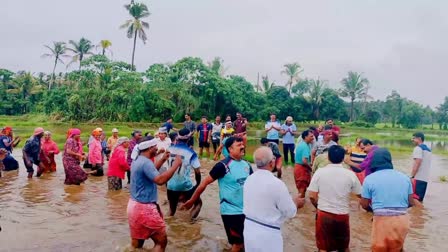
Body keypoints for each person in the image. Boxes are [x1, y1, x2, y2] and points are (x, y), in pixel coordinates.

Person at [182, 137, 252, 252]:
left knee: (245, 243)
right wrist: (192, 200)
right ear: (230, 149)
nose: (243, 147)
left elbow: (253, 186)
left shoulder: (247, 165)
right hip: (231, 211)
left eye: (242, 144)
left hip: (246, 211)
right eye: (239, 145)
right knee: (237, 244)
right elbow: (204, 183)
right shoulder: (222, 166)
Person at [127, 137, 183, 251]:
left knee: (137, 245)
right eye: (155, 147)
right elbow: (160, 181)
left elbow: (150, 173)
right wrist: (176, 165)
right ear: (149, 148)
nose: (157, 149)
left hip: (133, 206)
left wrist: (162, 159)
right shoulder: (146, 163)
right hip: (145, 208)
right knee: (161, 242)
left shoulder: (137, 159)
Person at [243, 146, 304, 252]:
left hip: (249, 230)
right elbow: (290, 212)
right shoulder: (277, 184)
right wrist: (296, 203)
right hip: (268, 234)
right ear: (272, 163)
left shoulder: (249, 179)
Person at [308, 145, 362, 252]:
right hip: (342, 215)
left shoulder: (319, 172)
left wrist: (318, 207)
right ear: (343, 158)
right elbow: (360, 195)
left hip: (324, 214)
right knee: (344, 247)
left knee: (323, 248)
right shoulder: (350, 174)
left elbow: (312, 196)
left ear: (328, 157)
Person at [360, 148, 414, 251]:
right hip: (402, 220)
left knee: (379, 249)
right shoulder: (405, 178)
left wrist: (374, 211)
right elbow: (411, 202)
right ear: (390, 161)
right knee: (397, 249)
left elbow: (364, 204)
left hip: (381, 220)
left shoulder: (369, 179)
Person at [166, 128, 202, 219]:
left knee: (171, 211)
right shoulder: (191, 152)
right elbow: (197, 171)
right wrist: (198, 184)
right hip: (184, 184)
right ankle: (191, 224)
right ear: (189, 139)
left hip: (170, 184)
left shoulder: (169, 149)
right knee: (198, 203)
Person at [410, 132, 432, 202]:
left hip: (418, 178)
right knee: (419, 200)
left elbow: (417, 163)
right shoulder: (428, 150)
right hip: (424, 179)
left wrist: (412, 176)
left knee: (414, 200)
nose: (412, 140)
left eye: (413, 138)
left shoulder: (418, 148)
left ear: (419, 139)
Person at [294, 130, 315, 197]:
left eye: (313, 136)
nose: (313, 138)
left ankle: (301, 202)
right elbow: (304, 161)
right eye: (311, 136)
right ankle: (299, 204)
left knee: (302, 187)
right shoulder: (305, 146)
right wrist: (311, 168)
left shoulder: (302, 144)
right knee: (302, 189)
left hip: (298, 167)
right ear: (305, 137)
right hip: (301, 169)